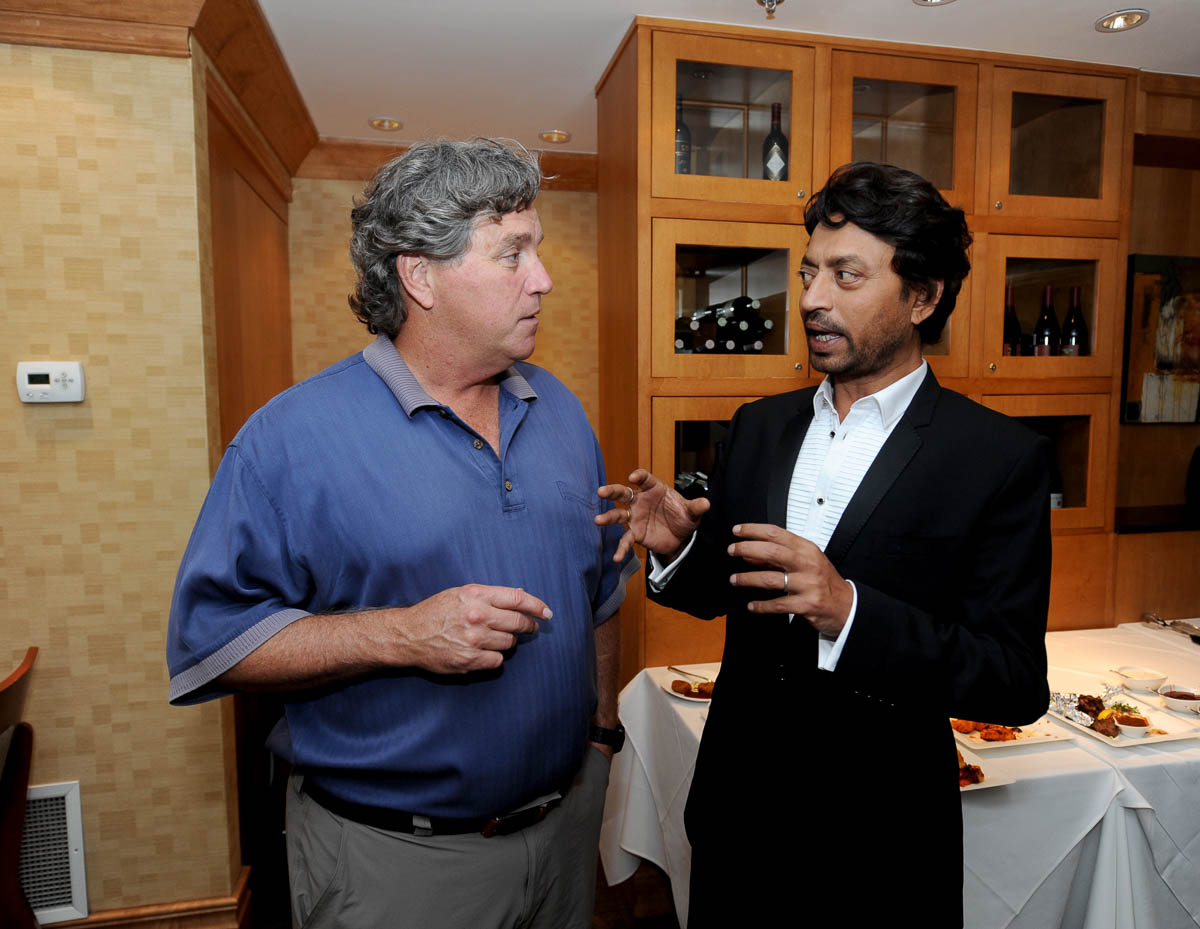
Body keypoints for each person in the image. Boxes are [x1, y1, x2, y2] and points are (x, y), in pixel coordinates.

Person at [167, 138, 638, 929]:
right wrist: (401, 633)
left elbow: (599, 586)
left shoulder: (557, 406)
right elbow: (215, 641)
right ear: (419, 274)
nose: (544, 278)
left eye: (538, 249)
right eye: (512, 252)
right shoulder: (290, 438)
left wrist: (599, 738)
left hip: (563, 830)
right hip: (396, 864)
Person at [597, 162, 1051, 928]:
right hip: (737, 830)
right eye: (809, 272)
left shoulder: (996, 457)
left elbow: (1012, 681)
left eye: (846, 275)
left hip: (881, 855)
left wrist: (850, 611)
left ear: (923, 295)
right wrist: (680, 549)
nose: (810, 298)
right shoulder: (760, 425)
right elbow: (734, 590)